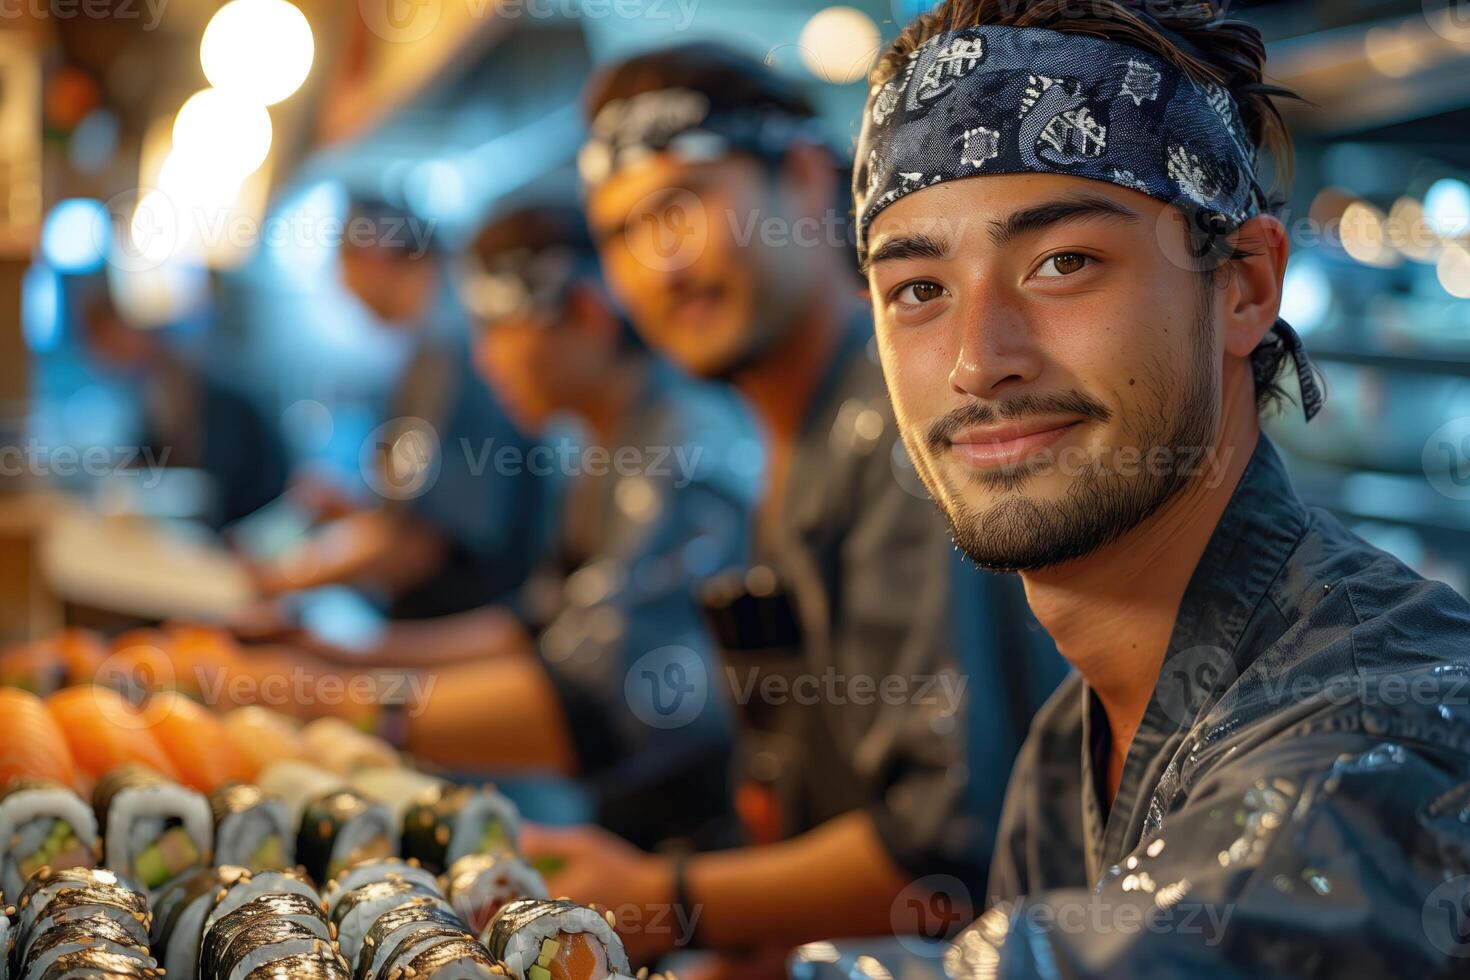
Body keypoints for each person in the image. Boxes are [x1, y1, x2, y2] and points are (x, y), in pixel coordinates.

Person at [852, 1, 1470, 975]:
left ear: (1243, 285)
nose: (979, 361)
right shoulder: (1071, 743)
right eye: (920, 289)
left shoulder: (1378, 734)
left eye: (1064, 262)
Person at [518, 44, 1068, 966]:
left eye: (682, 205)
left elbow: (946, 848)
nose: (660, 264)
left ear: (809, 178)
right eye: (618, 234)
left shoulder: (902, 434)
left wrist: (663, 899)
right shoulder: (787, 440)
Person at [301, 203, 758, 854]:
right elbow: (537, 629)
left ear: (589, 315)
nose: (486, 363)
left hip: (706, 850)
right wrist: (336, 657)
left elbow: (597, 700)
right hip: (627, 827)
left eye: (499, 331)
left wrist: (334, 703)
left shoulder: (683, 451)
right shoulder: (598, 445)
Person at [250, 196, 551, 618]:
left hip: (464, 637)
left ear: (373, 251)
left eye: (340, 258)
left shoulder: (454, 353)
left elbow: (422, 544)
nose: (340, 282)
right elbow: (416, 510)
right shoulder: (430, 351)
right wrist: (358, 509)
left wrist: (272, 579)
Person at [79, 289, 289, 528]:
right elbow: (148, 458)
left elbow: (219, 484)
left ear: (131, 329)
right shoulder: (152, 385)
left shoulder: (199, 386)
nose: (95, 352)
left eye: (101, 338)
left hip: (251, 532)